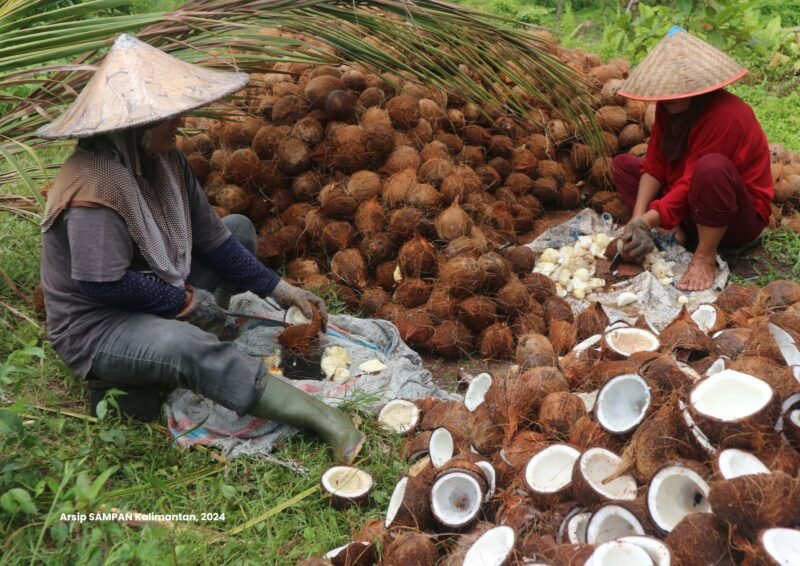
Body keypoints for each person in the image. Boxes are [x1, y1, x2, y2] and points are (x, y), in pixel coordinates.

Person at [37, 34, 364, 465]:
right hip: (100, 326)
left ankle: (185, 351)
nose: (183, 122)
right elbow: (103, 283)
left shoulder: (163, 161)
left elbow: (213, 240)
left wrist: (280, 290)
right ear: (137, 123)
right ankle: (326, 420)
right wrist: (183, 302)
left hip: (153, 289)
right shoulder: (93, 185)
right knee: (186, 347)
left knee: (239, 229)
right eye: (171, 116)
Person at [612, 27, 774, 291]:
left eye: (674, 94)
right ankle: (677, 227)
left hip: (734, 217)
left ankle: (704, 255)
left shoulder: (726, 116)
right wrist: (637, 218)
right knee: (623, 166)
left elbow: (691, 182)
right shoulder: (670, 107)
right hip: (691, 202)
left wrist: (649, 221)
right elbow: (656, 164)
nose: (665, 101)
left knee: (711, 169)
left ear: (698, 89)